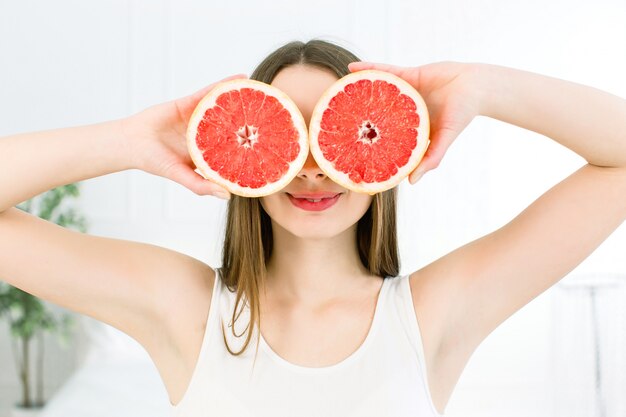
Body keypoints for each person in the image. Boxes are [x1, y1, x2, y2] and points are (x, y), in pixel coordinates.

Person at [1, 39, 625, 417]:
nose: (311, 168)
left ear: (385, 151)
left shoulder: (430, 314)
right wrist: (131, 138)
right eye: (283, 133)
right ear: (243, 154)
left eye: (337, 131)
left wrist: (486, 86)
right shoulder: (183, 308)